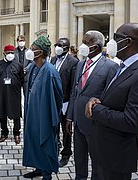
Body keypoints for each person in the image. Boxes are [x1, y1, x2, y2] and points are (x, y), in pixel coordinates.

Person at [86, 23, 138, 180]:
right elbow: (111, 100)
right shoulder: (122, 67)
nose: (111, 42)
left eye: (116, 37)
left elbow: (131, 121)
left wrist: (96, 110)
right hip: (103, 151)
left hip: (116, 157)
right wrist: (94, 100)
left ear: (128, 42)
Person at [66, 30, 118, 180]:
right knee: (79, 158)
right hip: (78, 122)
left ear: (95, 46)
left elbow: (110, 98)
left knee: (97, 162)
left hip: (96, 124)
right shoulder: (81, 64)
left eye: (86, 43)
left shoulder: (110, 66)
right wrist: (70, 117)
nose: (82, 45)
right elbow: (75, 93)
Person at [22, 36, 63, 180]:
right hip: (32, 112)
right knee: (33, 140)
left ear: (40, 52)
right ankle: (38, 168)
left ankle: (47, 174)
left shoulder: (50, 71)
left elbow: (58, 96)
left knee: (44, 142)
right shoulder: (33, 67)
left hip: (44, 115)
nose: (30, 51)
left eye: (33, 50)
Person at [50, 38, 79, 167]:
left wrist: (71, 106)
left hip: (66, 102)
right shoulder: (53, 59)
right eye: (56, 45)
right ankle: (55, 147)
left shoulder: (73, 62)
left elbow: (73, 86)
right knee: (53, 127)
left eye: (60, 46)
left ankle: (66, 153)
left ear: (67, 48)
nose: (57, 47)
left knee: (66, 129)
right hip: (53, 100)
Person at [0, 44, 24, 144]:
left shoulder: (18, 65)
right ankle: (4, 132)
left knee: (16, 114)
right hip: (2, 93)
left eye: (12, 53)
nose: (10, 54)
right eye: (8, 53)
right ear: (4, 53)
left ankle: (16, 133)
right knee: (2, 113)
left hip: (15, 94)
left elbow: (22, 79)